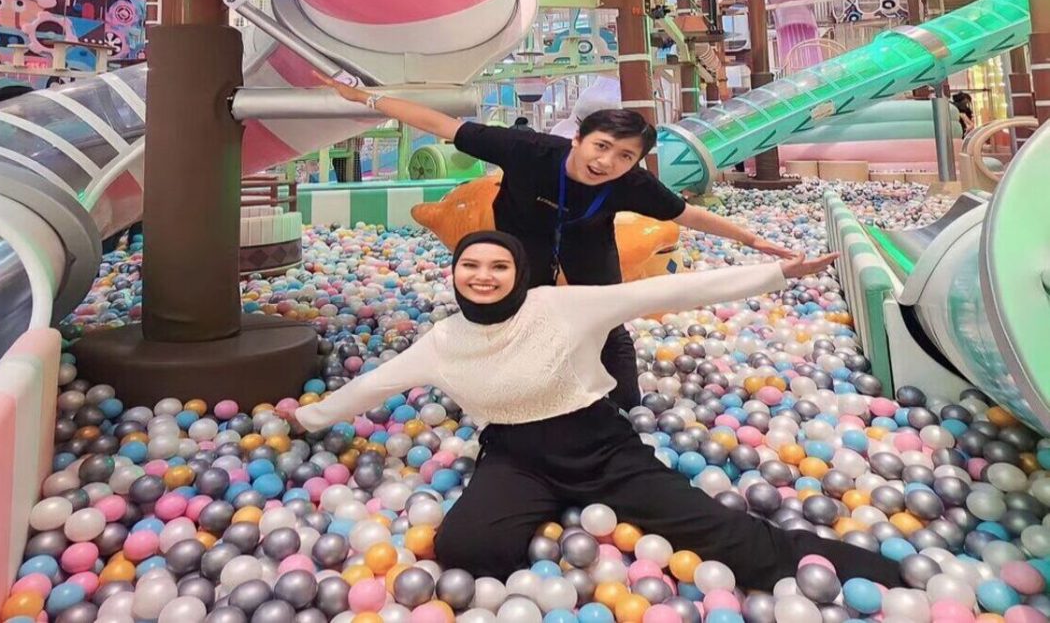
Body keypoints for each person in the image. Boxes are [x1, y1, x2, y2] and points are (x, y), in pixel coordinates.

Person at [296, 232, 902, 590]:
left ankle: (884, 576)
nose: (483, 276)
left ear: (519, 273)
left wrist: (774, 271)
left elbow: (666, 290)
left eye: (498, 266)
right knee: (466, 550)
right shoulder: (443, 341)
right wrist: (310, 420)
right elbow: (371, 387)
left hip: (603, 450)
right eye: (470, 266)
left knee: (730, 543)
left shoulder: (560, 308)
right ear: (455, 274)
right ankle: (555, 518)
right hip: (517, 459)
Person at [322, 79, 795, 411]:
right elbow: (444, 126)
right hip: (521, 235)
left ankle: (622, 404)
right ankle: (508, 391)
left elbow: (687, 215)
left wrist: (753, 239)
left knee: (606, 317)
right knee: (508, 313)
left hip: (586, 240)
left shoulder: (631, 183)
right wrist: (369, 98)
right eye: (602, 146)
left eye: (625, 156)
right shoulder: (529, 150)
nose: (607, 161)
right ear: (579, 139)